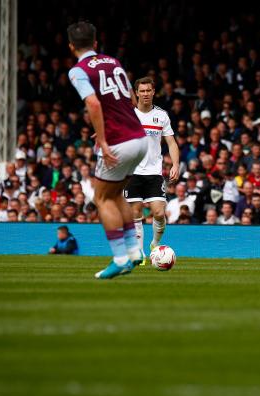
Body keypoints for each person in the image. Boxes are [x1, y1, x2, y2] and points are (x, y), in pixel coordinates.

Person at [67, 21, 148, 279]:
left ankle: (120, 258)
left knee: (101, 198)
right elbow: (131, 100)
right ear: (96, 43)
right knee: (115, 195)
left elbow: (93, 102)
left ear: (71, 47)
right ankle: (135, 252)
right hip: (139, 137)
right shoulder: (113, 62)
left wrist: (102, 138)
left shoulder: (78, 71)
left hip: (117, 142)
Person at [124, 77, 180, 264]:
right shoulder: (129, 115)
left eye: (149, 90)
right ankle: (139, 254)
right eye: (142, 91)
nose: (146, 94)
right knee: (135, 212)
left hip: (154, 172)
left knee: (158, 212)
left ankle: (154, 244)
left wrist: (176, 164)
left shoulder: (162, 115)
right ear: (137, 93)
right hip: (132, 172)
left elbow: (171, 143)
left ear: (154, 92)